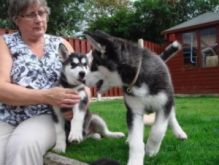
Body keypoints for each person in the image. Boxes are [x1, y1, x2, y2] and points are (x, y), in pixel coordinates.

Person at [0, 0, 91, 165]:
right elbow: (1, 88)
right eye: (31, 14)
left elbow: (83, 84)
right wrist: (45, 95)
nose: (39, 19)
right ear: (16, 19)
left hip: (50, 114)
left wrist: (77, 107)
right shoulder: (4, 43)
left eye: (41, 13)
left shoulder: (61, 44)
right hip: (7, 116)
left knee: (24, 145)